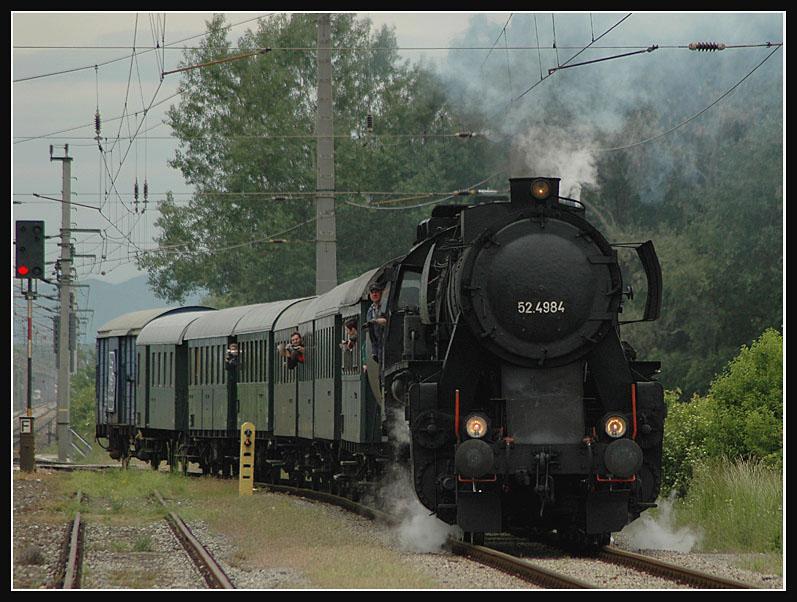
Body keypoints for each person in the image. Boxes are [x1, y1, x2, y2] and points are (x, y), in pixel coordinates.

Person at [365, 283, 388, 363]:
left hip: (386, 343)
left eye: (376, 292)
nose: (374, 294)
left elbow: (390, 321)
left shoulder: (386, 306)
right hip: (377, 346)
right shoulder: (370, 310)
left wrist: (377, 321)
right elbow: (371, 333)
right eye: (372, 292)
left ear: (381, 293)